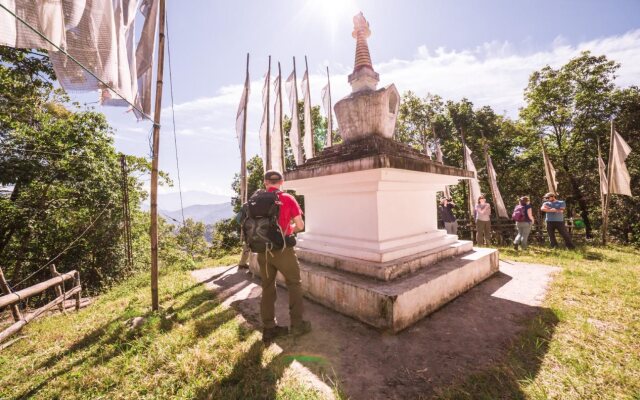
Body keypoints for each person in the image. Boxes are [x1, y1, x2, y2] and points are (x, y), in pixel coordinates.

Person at [255, 170, 311, 342]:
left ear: (265, 182)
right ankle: (297, 325)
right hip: (282, 250)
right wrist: (289, 228)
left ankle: (269, 328)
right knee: (294, 283)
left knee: (267, 287)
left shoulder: (254, 199)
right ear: (282, 182)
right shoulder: (287, 198)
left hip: (262, 251)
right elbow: (300, 225)